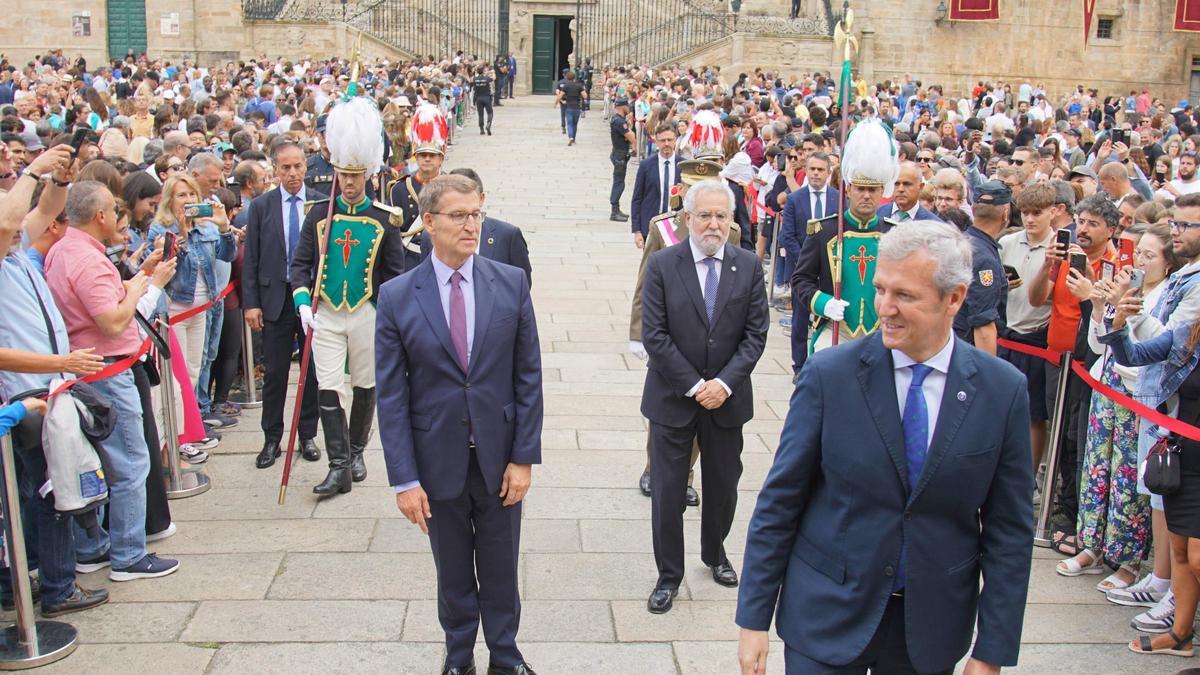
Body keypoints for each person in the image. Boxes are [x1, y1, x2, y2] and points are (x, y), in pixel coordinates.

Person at [737, 220, 1034, 675]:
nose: (884, 308)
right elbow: (780, 501)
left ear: (954, 298)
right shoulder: (829, 376)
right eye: (880, 289)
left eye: (905, 296)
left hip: (929, 630)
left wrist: (991, 650)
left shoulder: (1002, 391)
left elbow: (1009, 532)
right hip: (827, 617)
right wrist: (753, 619)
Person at [376, 174, 543, 675]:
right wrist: (404, 479)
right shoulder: (398, 295)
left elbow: (528, 375)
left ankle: (507, 659)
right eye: (459, 216)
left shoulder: (508, 283)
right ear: (428, 223)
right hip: (436, 462)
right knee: (452, 573)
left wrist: (523, 456)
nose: (472, 225)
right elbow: (391, 395)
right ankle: (458, 660)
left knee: (500, 569)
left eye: (477, 214)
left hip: (499, 459)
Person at [640, 179, 769, 614]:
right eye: (704, 215)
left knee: (723, 486)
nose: (713, 224)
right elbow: (654, 335)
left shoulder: (748, 266)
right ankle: (668, 575)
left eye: (721, 216)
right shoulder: (662, 264)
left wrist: (724, 384)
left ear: (731, 220)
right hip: (674, 399)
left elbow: (755, 335)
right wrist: (695, 386)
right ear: (688, 218)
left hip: (728, 400)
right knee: (669, 492)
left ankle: (715, 553)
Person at [44, 181, 180, 581]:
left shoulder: (67, 251)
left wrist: (140, 276)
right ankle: (128, 554)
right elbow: (112, 319)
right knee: (130, 463)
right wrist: (149, 286)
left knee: (102, 463)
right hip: (108, 370)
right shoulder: (84, 259)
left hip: (94, 368)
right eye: (111, 209)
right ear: (99, 215)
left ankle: (97, 547)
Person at [290, 96, 410, 497]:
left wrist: (382, 311)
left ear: (369, 175)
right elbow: (300, 264)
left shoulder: (384, 218)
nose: (350, 183)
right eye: (344, 175)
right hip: (325, 311)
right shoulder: (317, 213)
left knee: (363, 383)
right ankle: (338, 465)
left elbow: (395, 274)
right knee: (327, 386)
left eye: (357, 176)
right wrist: (303, 302)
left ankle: (356, 450)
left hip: (365, 312)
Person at [243, 139, 323, 468]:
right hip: (274, 298)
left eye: (298, 166)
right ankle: (272, 437)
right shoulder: (262, 206)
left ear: (306, 166)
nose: (292, 173)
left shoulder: (319, 204)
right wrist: (252, 303)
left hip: (309, 299)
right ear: (275, 169)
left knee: (312, 371)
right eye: (285, 167)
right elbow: (252, 260)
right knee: (275, 372)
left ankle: (307, 433)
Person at [792, 119, 899, 364]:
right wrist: (823, 303)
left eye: (872, 190)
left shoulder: (895, 235)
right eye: (860, 188)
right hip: (835, 330)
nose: (866, 196)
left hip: (882, 332)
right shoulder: (825, 230)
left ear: (881, 192)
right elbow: (801, 279)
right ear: (848, 189)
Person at [778, 151, 837, 372]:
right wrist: (806, 261)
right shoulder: (795, 199)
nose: (815, 174)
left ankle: (825, 362)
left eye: (820, 170)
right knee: (800, 319)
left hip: (830, 270)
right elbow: (788, 235)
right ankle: (799, 365)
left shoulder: (837, 198)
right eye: (812, 169)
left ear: (828, 172)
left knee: (827, 316)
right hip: (803, 270)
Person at [386, 103, 448, 270]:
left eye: (432, 155)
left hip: (444, 256)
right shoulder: (399, 188)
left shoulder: (451, 187)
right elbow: (392, 233)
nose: (427, 159)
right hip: (409, 258)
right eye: (422, 155)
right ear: (416, 157)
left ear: (441, 158)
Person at [955, 181, 1010, 354]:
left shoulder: (959, 242)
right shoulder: (984, 259)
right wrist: (988, 376)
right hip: (965, 349)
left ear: (973, 210)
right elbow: (983, 325)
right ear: (1005, 214)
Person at [629, 124, 679, 246]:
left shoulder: (683, 165)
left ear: (675, 140)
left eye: (670, 140)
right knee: (650, 264)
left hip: (676, 226)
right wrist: (637, 230)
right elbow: (637, 198)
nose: (666, 144)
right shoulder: (646, 166)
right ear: (656, 142)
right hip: (651, 225)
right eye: (662, 140)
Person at [609, 97, 635, 222]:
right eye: (627, 105)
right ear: (622, 106)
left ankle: (616, 208)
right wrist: (632, 139)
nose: (628, 107)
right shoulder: (619, 121)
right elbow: (630, 136)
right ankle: (614, 211)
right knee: (619, 183)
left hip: (619, 153)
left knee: (620, 182)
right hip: (620, 155)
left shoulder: (619, 120)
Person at [555, 71, 587, 146]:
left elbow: (560, 96)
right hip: (577, 107)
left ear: (567, 77)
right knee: (575, 124)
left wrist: (556, 102)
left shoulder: (566, 86)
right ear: (574, 78)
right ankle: (574, 139)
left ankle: (571, 137)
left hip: (569, 107)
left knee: (569, 124)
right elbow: (585, 96)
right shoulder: (579, 86)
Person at [470, 66, 494, 136]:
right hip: (486, 97)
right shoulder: (487, 78)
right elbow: (494, 79)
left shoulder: (475, 79)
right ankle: (488, 124)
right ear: (483, 71)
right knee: (490, 113)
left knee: (480, 114)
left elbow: (473, 86)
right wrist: (492, 72)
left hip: (478, 98)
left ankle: (481, 130)